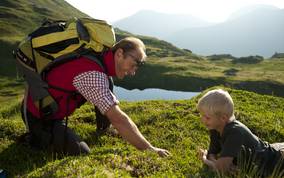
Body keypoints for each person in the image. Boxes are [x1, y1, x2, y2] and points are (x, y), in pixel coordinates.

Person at [20, 37, 170, 157]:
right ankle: (34, 138)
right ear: (119, 54)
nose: (133, 72)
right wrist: (149, 149)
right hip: (39, 114)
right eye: (135, 63)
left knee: (107, 83)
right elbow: (119, 118)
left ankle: (103, 128)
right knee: (81, 152)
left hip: (53, 108)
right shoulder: (93, 74)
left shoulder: (100, 58)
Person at [196, 89, 284, 177]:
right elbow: (212, 153)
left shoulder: (235, 132)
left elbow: (220, 169)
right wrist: (214, 161)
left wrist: (205, 159)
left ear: (223, 118)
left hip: (276, 160)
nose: (202, 120)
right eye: (202, 115)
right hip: (269, 150)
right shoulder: (215, 127)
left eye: (207, 117)